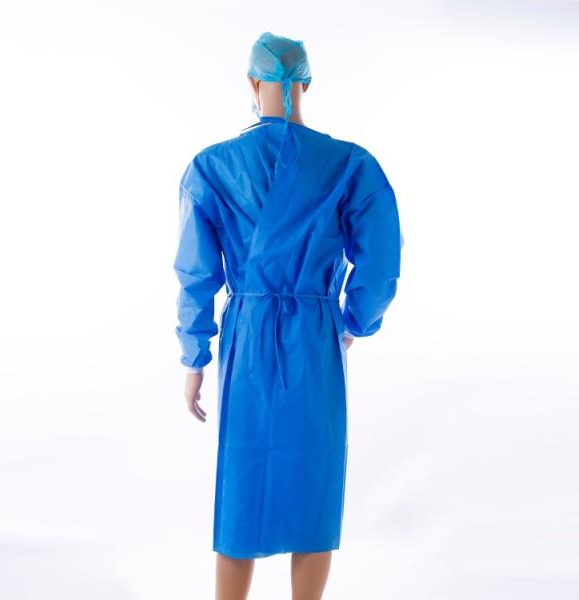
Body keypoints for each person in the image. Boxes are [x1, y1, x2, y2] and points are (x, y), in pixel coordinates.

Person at [173, 31, 403, 600]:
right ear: (307, 84)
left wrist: (195, 357)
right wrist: (352, 323)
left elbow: (197, 273)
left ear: (252, 83)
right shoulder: (348, 165)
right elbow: (381, 260)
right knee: (313, 480)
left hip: (248, 337)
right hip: (316, 336)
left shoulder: (213, 167)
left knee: (243, 480)